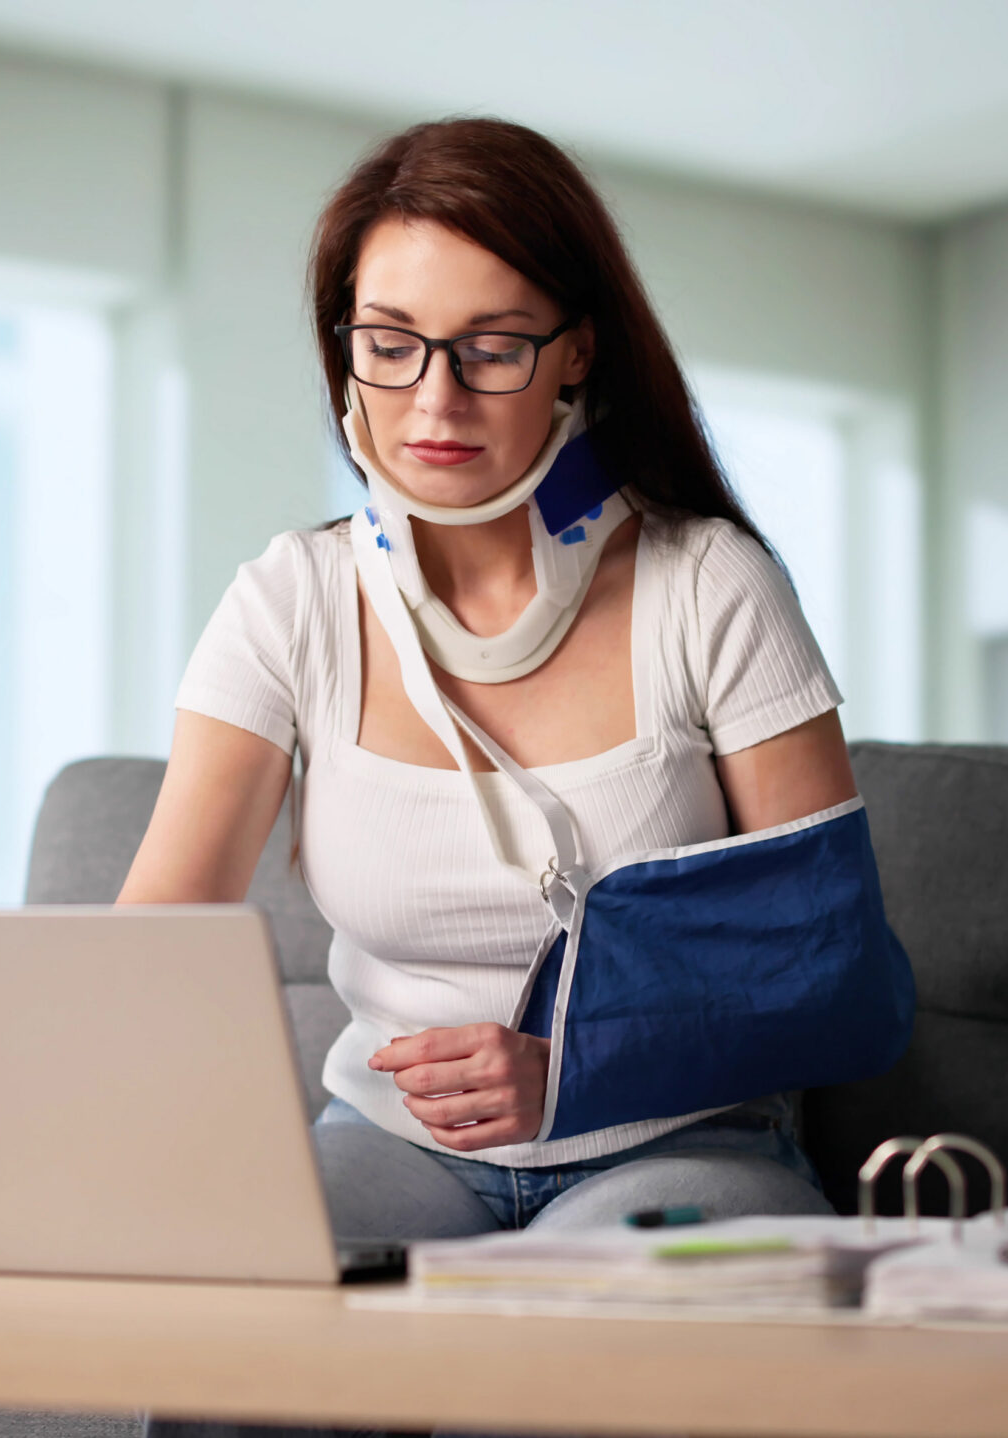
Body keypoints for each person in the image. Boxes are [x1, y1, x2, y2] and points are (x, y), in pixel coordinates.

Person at [118, 116, 857, 1239]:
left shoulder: (712, 586)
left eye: (492, 346)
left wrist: (578, 1065)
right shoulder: (288, 602)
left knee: (553, 1352)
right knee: (219, 1293)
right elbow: (149, 948)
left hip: (678, 1144)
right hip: (387, 1147)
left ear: (576, 351)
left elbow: (831, 976)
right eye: (390, 342)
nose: (434, 402)